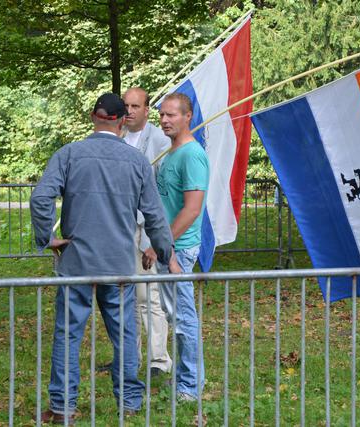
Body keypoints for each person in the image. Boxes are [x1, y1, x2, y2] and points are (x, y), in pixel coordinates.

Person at [30, 92, 180, 424]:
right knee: (125, 335)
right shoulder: (137, 161)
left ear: (92, 116)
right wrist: (165, 253)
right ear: (121, 120)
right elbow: (154, 214)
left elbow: (42, 197)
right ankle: (128, 403)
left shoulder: (69, 153)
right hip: (118, 264)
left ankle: (63, 407)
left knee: (68, 334)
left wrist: (47, 238)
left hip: (77, 262)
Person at [151, 92, 209, 402]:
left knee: (184, 319)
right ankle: (187, 379)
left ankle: (191, 386)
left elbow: (191, 209)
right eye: (162, 115)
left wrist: (167, 248)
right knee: (176, 317)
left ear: (188, 117)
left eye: (171, 115)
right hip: (167, 249)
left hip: (180, 251)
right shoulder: (171, 154)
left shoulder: (191, 155)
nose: (164, 120)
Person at [123, 87, 173, 377]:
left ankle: (158, 359)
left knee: (149, 296)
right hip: (120, 226)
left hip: (145, 226)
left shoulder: (158, 139)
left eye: (135, 106)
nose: (129, 111)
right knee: (123, 294)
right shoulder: (116, 136)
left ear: (146, 109)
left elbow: (162, 190)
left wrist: (156, 235)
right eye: (126, 106)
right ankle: (129, 356)